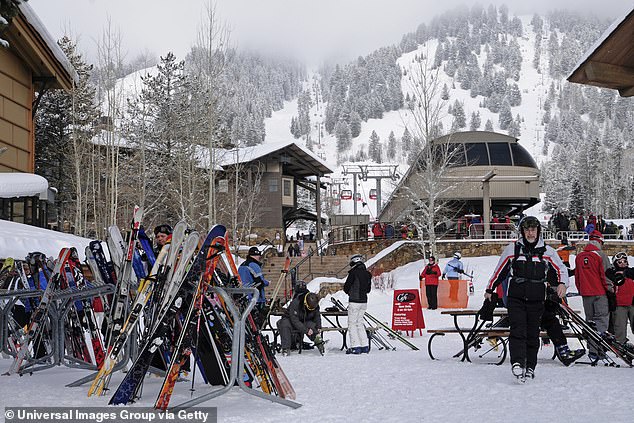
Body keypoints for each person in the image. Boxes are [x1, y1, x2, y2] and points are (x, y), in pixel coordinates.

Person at [485, 216, 568, 382]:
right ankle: (517, 362)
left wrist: (563, 284)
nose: (530, 233)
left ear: (538, 231)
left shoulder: (547, 251)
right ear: (522, 231)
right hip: (516, 297)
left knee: (532, 334)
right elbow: (499, 271)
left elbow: (561, 270)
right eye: (527, 230)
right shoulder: (513, 249)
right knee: (518, 330)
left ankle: (530, 366)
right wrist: (490, 289)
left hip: (537, 299)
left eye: (533, 230)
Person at [574, 230, 613, 362]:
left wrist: (581, 290)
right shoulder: (601, 255)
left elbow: (577, 277)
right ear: (600, 242)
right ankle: (601, 349)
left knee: (590, 322)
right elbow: (606, 275)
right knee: (601, 321)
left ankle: (592, 350)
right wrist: (610, 289)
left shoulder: (580, 256)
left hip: (586, 294)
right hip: (600, 293)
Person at [277, 291, 323, 356]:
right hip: (290, 319)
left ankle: (319, 342)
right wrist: (306, 330)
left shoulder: (315, 304)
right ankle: (285, 348)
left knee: (312, 325)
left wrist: (318, 326)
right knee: (285, 325)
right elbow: (295, 320)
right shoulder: (296, 303)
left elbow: (317, 316)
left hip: (305, 320)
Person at [344, 254, 372, 354]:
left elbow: (346, 287)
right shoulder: (368, 274)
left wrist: (350, 292)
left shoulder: (353, 273)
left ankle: (355, 346)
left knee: (352, 324)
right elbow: (368, 289)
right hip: (364, 301)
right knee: (360, 323)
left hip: (354, 301)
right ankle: (364, 345)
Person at [605, 252, 634, 345]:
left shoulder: (630, 272)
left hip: (632, 304)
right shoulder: (612, 273)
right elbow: (608, 275)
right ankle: (620, 344)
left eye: (625, 261)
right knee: (620, 327)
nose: (623, 263)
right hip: (619, 305)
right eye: (620, 262)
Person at [239, 247, 270, 324]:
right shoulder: (254, 265)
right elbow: (259, 281)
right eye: (258, 255)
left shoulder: (242, 265)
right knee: (258, 321)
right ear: (255, 255)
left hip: (244, 296)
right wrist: (267, 283)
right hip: (255, 298)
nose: (259, 257)